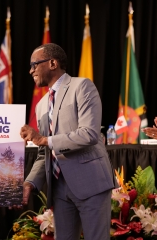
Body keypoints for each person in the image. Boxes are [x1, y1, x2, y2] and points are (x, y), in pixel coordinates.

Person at [19, 43, 117, 240]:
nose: (31, 71)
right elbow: (43, 151)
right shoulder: (40, 106)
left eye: (34, 64)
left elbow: (89, 134)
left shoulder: (82, 86)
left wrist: (42, 139)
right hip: (59, 188)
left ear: (53, 63)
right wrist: (30, 182)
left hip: (91, 183)